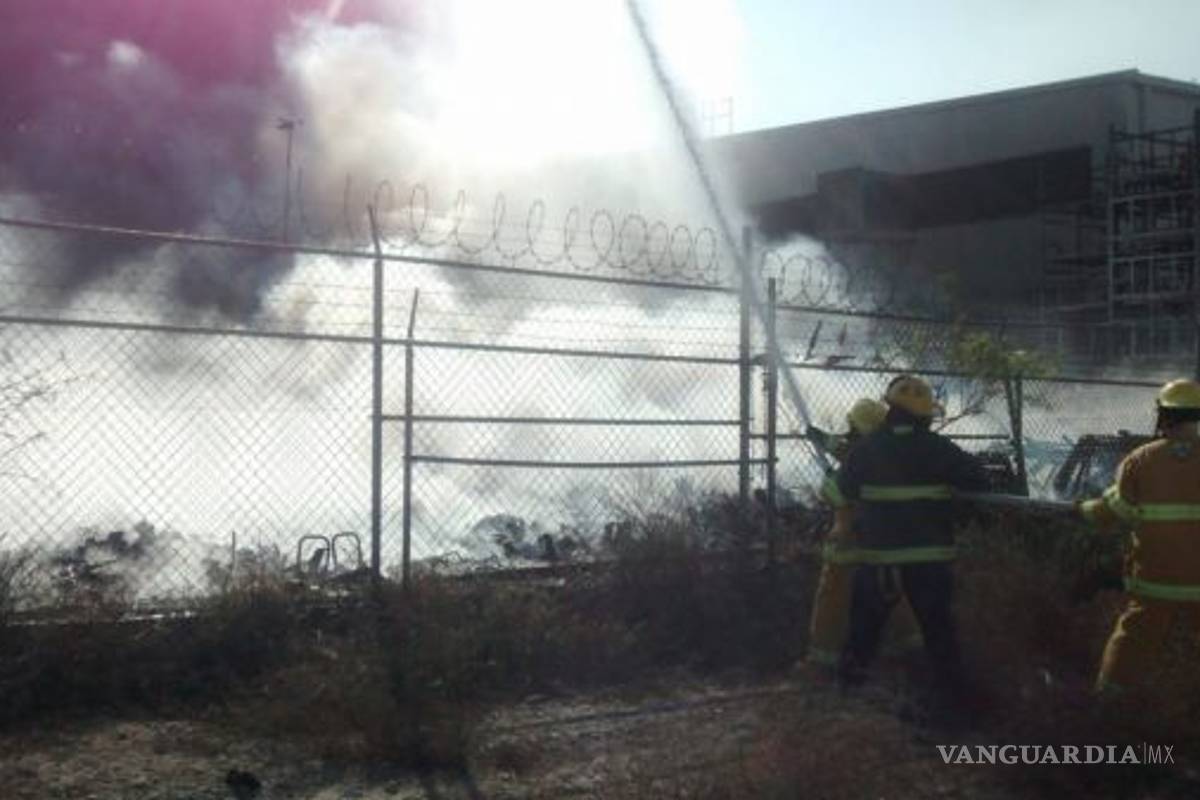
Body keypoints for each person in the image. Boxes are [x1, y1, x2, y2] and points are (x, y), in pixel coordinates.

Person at [830, 375, 988, 699]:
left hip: (880, 560)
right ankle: (952, 703)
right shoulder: (939, 448)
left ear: (890, 408)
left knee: (864, 629)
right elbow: (979, 480)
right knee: (938, 631)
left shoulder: (866, 448)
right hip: (930, 559)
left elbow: (844, 489)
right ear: (924, 415)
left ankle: (847, 693)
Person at [1077, 378, 1200, 695]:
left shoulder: (1141, 460)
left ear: (1163, 415)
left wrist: (1082, 510)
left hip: (1154, 583)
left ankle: (1109, 706)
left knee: (1130, 643)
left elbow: (1113, 511)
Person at [805, 398, 922, 671]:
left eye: (853, 428)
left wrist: (831, 480)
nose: (849, 432)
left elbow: (837, 494)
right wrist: (823, 439)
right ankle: (911, 647)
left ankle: (822, 660)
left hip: (850, 543)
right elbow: (849, 451)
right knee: (891, 590)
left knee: (833, 596)